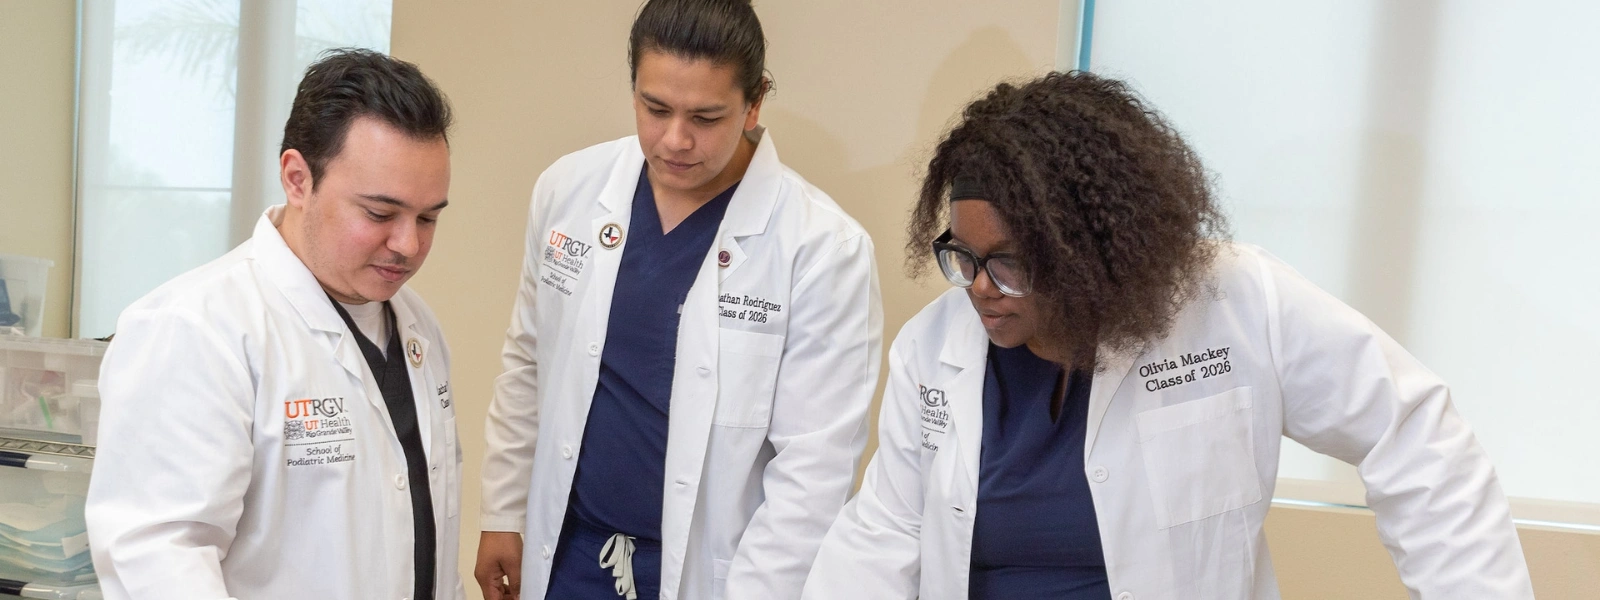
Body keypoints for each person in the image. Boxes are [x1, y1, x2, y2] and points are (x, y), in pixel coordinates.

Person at [802, 72, 1534, 600]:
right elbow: (885, 532)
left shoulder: (1235, 301)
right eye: (962, 257)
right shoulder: (936, 346)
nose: (981, 288)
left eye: (1010, 263)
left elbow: (1414, 435)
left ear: (1085, 251)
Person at [473, 1, 883, 598]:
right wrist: (504, 511)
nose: (675, 139)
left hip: (709, 573)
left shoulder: (823, 248)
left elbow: (813, 473)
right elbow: (528, 363)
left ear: (756, 100)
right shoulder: (569, 189)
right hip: (568, 552)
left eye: (706, 116)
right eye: (654, 108)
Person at [85, 49, 464, 600]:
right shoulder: (198, 328)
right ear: (297, 178)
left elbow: (427, 526)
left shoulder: (417, 327)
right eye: (380, 214)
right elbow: (159, 556)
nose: (408, 244)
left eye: (428, 217)